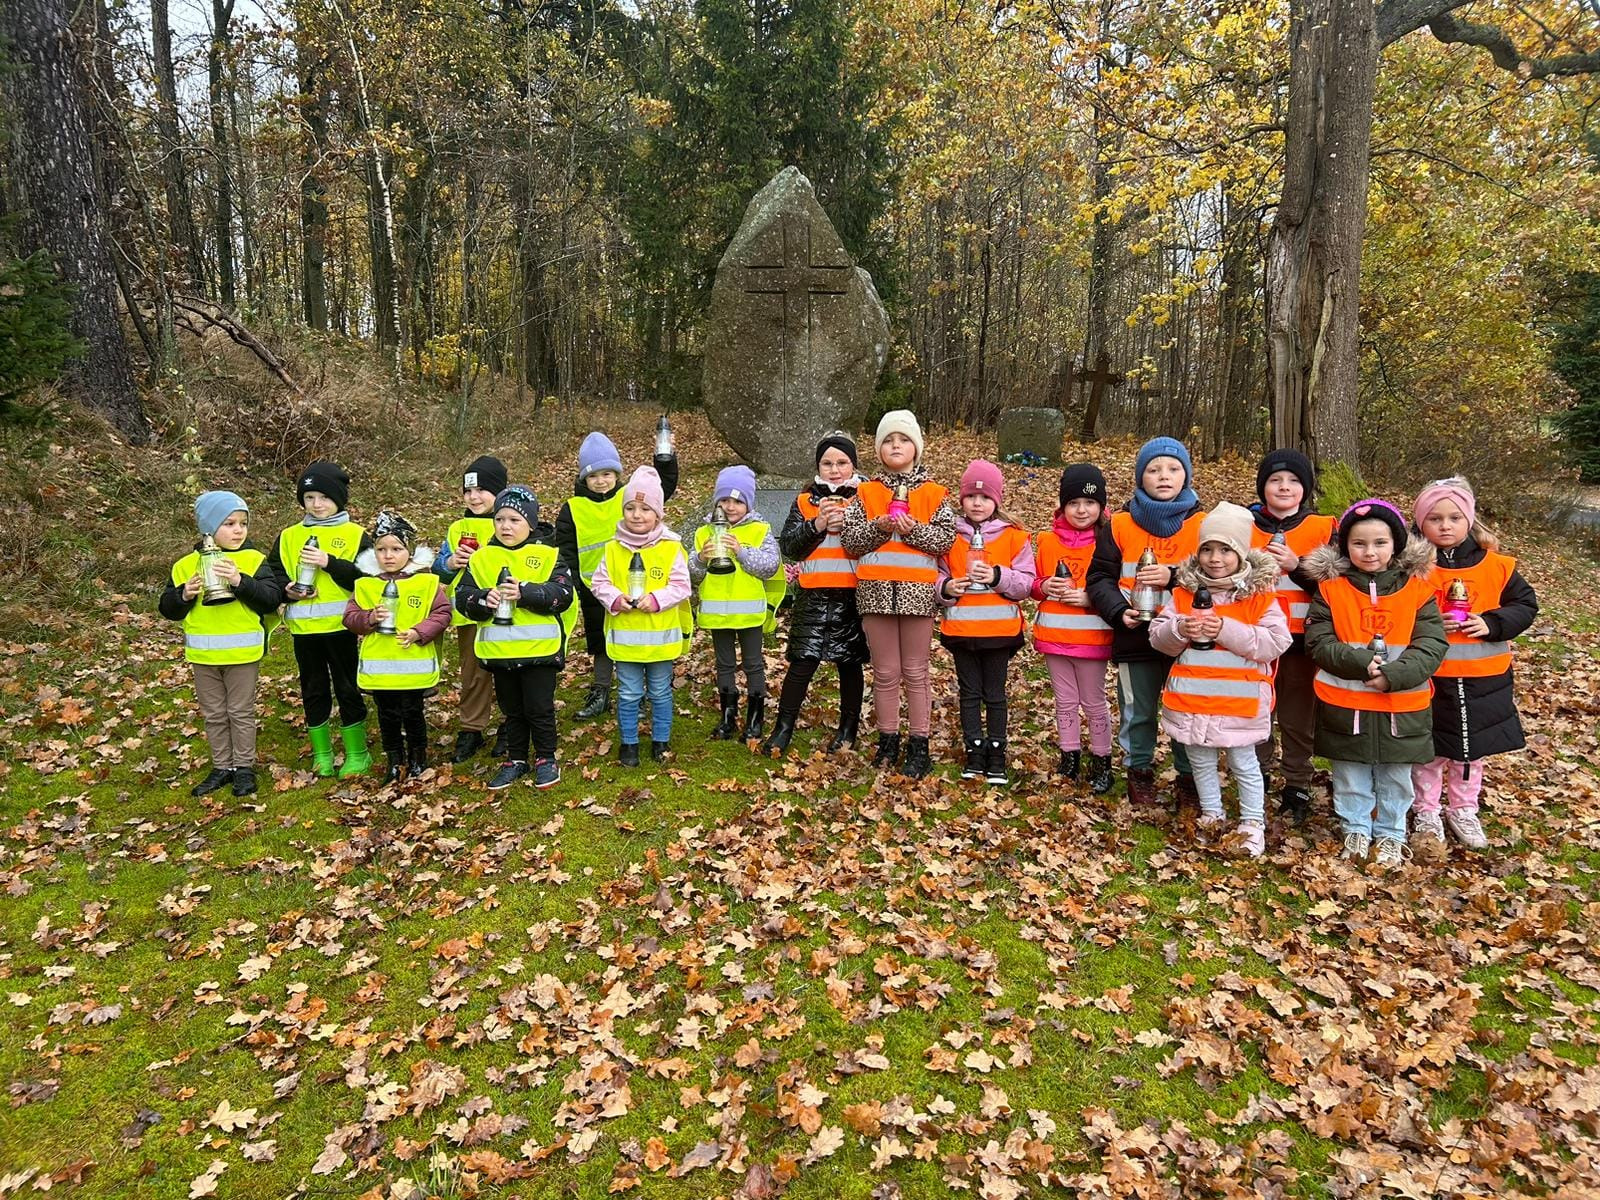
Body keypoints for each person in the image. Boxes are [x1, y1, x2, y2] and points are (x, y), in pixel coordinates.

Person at [1303, 499, 1447, 867]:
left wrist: (1394, 675)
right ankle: (1355, 827)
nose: (1370, 552)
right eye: (1359, 543)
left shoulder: (1418, 589)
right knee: (1350, 773)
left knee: (1396, 776)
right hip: (1346, 703)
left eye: (1380, 543)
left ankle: (1391, 833)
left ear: (1396, 545)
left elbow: (1431, 644)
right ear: (1345, 546)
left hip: (1402, 705)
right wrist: (1361, 663)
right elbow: (1319, 641)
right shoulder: (1331, 589)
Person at [1149, 503, 1291, 857]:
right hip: (1193, 700)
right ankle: (1212, 814)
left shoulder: (1259, 596)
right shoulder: (1183, 594)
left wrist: (1225, 629)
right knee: (1200, 760)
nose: (1215, 558)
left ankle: (1252, 823)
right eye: (1208, 549)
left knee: (1244, 764)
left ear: (1241, 553)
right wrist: (1179, 628)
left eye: (1225, 550)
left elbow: (1275, 642)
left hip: (1240, 703)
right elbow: (1158, 638)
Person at [1410, 477, 1539, 853]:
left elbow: (1525, 605)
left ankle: (1464, 809)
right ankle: (1426, 810)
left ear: (1469, 520)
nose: (1445, 526)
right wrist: (1428, 620)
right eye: (1435, 518)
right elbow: (1394, 610)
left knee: (1470, 750)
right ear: (1420, 523)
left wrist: (1492, 622)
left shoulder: (1497, 566)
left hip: (1485, 679)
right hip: (1430, 677)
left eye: (1454, 518)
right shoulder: (1411, 568)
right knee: (1429, 746)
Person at [1086, 437, 1204, 809]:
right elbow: (1099, 578)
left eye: (1173, 469)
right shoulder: (1120, 524)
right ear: (1141, 477)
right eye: (1153, 470)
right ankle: (1139, 772)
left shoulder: (1202, 524)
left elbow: (1218, 576)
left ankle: (1189, 776)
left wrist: (1173, 577)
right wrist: (1118, 612)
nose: (1163, 476)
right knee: (1137, 709)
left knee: (1186, 707)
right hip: (1134, 635)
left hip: (1188, 636)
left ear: (1185, 476)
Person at [839, 410, 957, 779]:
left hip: (917, 596)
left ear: (915, 448)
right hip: (875, 595)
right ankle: (887, 739)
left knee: (916, 671)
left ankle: (919, 744)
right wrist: (879, 526)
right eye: (888, 440)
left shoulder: (934, 493)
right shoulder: (866, 492)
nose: (895, 446)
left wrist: (912, 530)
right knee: (886, 672)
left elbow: (945, 540)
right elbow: (850, 541)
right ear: (878, 449)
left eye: (903, 440)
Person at [159, 491, 281, 798]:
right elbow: (168, 608)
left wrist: (241, 582)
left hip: (242, 654)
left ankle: (244, 767)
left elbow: (270, 599)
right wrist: (183, 595)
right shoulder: (185, 566)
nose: (239, 530)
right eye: (229, 524)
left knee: (240, 711)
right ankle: (222, 766)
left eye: (243, 523)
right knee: (214, 713)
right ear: (209, 527)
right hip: (203, 655)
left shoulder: (253, 560)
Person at [553, 430, 679, 721]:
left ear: (617, 475)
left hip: (636, 582)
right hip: (594, 587)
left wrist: (666, 458)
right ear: (584, 478)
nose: (601, 481)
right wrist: (573, 583)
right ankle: (601, 691)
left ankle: (642, 693)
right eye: (593, 475)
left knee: (639, 636)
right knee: (601, 640)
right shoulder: (572, 508)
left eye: (607, 474)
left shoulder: (628, 497)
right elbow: (566, 549)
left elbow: (663, 487)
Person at [455, 486, 575, 791]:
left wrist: (526, 592)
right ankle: (516, 759)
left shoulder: (548, 555)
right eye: (500, 520)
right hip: (500, 653)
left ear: (531, 524)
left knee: (539, 708)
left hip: (540, 652)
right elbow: (462, 597)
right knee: (512, 710)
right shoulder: (482, 558)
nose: (505, 526)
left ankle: (546, 758)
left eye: (514, 520)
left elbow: (563, 594)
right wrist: (483, 599)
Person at [763, 433, 869, 757]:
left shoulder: (866, 498)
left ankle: (848, 729)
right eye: (827, 463)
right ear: (818, 467)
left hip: (852, 595)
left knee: (849, 665)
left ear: (853, 465)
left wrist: (849, 523)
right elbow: (790, 547)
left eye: (842, 463)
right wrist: (817, 524)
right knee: (801, 663)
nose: (834, 470)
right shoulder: (804, 501)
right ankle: (783, 728)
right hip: (813, 594)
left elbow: (873, 543)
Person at [265, 461, 373, 778]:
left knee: (347, 687)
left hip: (342, 628)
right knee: (313, 689)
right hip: (304, 630)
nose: (317, 504)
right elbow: (273, 573)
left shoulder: (355, 535)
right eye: (309, 497)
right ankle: (322, 754)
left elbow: (367, 579)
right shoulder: (289, 536)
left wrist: (329, 562)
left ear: (338, 499)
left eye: (324, 497)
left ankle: (357, 753)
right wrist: (287, 590)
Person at [1249, 449, 1337, 824]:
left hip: (1302, 641)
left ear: (1306, 488)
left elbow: (1338, 587)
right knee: (1256, 712)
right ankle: (1257, 776)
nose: (1284, 487)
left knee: (1297, 717)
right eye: (1275, 480)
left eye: (1294, 481)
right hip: (1255, 639)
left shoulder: (1322, 528)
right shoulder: (1246, 525)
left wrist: (1296, 567)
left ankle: (1297, 784)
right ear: (1263, 487)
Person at [937, 460, 1036, 786]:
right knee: (969, 693)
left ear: (997, 500)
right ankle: (974, 750)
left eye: (985, 497)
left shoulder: (1014, 537)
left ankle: (996, 753)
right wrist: (946, 588)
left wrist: (997, 576)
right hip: (961, 631)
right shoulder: (949, 535)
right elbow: (935, 575)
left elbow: (1026, 583)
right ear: (961, 499)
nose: (977, 503)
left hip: (999, 632)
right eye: (970, 496)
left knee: (994, 694)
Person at [589, 466, 692, 766]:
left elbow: (681, 585)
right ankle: (629, 744)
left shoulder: (671, 548)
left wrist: (657, 600)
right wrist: (615, 599)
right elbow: (599, 582)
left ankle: (661, 740)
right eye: (630, 508)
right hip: (626, 642)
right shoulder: (612, 548)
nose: (637, 515)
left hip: (660, 642)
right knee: (629, 693)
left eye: (645, 509)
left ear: (658, 514)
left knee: (660, 692)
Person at [344, 512, 451, 784]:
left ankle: (418, 758)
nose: (388, 556)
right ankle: (394, 760)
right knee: (387, 715)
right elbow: (350, 618)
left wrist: (419, 632)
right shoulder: (365, 585)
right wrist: (369, 618)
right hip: (380, 669)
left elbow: (442, 614)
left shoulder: (426, 583)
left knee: (413, 713)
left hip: (413, 667)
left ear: (409, 551)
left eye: (396, 549)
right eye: (381, 549)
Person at [1032, 464, 1115, 792]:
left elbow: (1117, 588)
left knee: (1093, 701)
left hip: (1092, 638)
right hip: (1054, 637)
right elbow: (1033, 583)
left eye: (1090, 503)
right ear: (1062, 506)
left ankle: (1102, 760)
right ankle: (1069, 757)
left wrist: (1090, 598)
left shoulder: (1108, 542)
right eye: (1074, 503)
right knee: (1064, 700)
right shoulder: (1047, 541)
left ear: (1101, 506)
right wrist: (1044, 586)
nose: (1082, 510)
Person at [689, 465, 784, 743]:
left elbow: (770, 566)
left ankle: (755, 719)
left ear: (748, 504)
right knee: (724, 664)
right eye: (724, 500)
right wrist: (700, 559)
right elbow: (691, 574)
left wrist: (741, 552)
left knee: (753, 664)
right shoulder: (703, 532)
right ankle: (727, 716)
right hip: (717, 613)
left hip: (749, 614)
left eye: (738, 501)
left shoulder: (760, 529)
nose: (730, 507)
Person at [434, 455, 507, 763]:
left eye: (481, 490)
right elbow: (439, 569)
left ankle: (511, 724)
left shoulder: (510, 521)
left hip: (506, 612)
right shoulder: (458, 528)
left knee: (508, 670)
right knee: (473, 672)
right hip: (468, 614)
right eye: (468, 491)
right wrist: (451, 563)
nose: (474, 497)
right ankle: (472, 728)